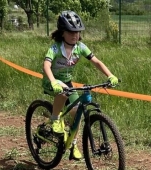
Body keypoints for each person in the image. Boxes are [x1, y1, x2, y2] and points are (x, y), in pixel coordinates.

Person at [42, 10, 119, 160]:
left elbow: (96, 61)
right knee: (63, 92)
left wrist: (110, 75)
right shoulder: (56, 48)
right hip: (52, 80)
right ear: (62, 32)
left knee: (76, 113)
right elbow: (46, 66)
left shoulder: (80, 47)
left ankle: (73, 144)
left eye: (77, 32)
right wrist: (52, 81)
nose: (74, 35)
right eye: (71, 32)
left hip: (67, 81)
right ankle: (55, 118)